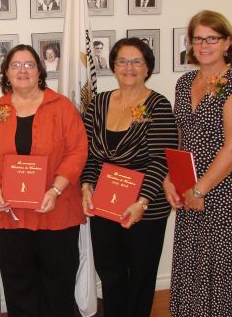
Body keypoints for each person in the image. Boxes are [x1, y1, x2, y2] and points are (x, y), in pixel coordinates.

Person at [0, 44, 87, 317]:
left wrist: (56, 189)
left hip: (57, 213)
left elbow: (78, 151)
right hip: (10, 214)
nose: (23, 70)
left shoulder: (62, 108)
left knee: (58, 288)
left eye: (29, 64)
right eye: (16, 65)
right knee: (18, 287)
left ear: (40, 71)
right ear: (6, 73)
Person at [164, 10, 232, 317]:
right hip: (189, 190)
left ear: (227, 42)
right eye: (198, 38)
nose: (204, 45)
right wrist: (170, 179)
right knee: (192, 268)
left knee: (222, 274)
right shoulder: (185, 81)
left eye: (212, 38)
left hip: (224, 194)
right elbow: (181, 136)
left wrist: (200, 190)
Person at [81, 37, 178, 317]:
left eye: (137, 61)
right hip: (104, 203)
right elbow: (88, 153)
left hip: (145, 208)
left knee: (140, 276)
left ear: (147, 67)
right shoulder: (98, 103)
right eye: (122, 61)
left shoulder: (158, 105)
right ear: (113, 66)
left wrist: (143, 202)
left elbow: (160, 159)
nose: (129, 67)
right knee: (110, 273)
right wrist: (86, 186)